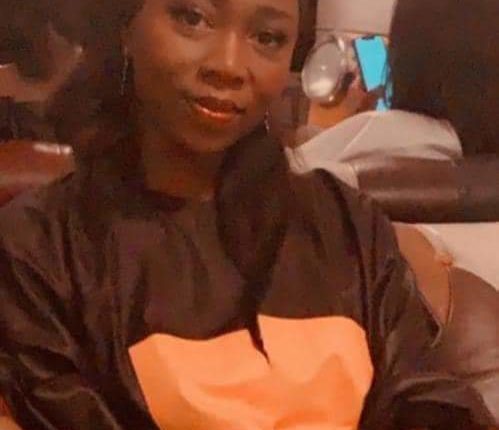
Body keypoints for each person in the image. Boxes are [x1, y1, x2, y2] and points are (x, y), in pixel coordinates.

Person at [0, 1, 497, 429]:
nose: (229, 65)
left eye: (267, 37)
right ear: (126, 26)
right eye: (193, 18)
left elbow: (421, 395)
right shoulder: (41, 249)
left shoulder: (347, 226)